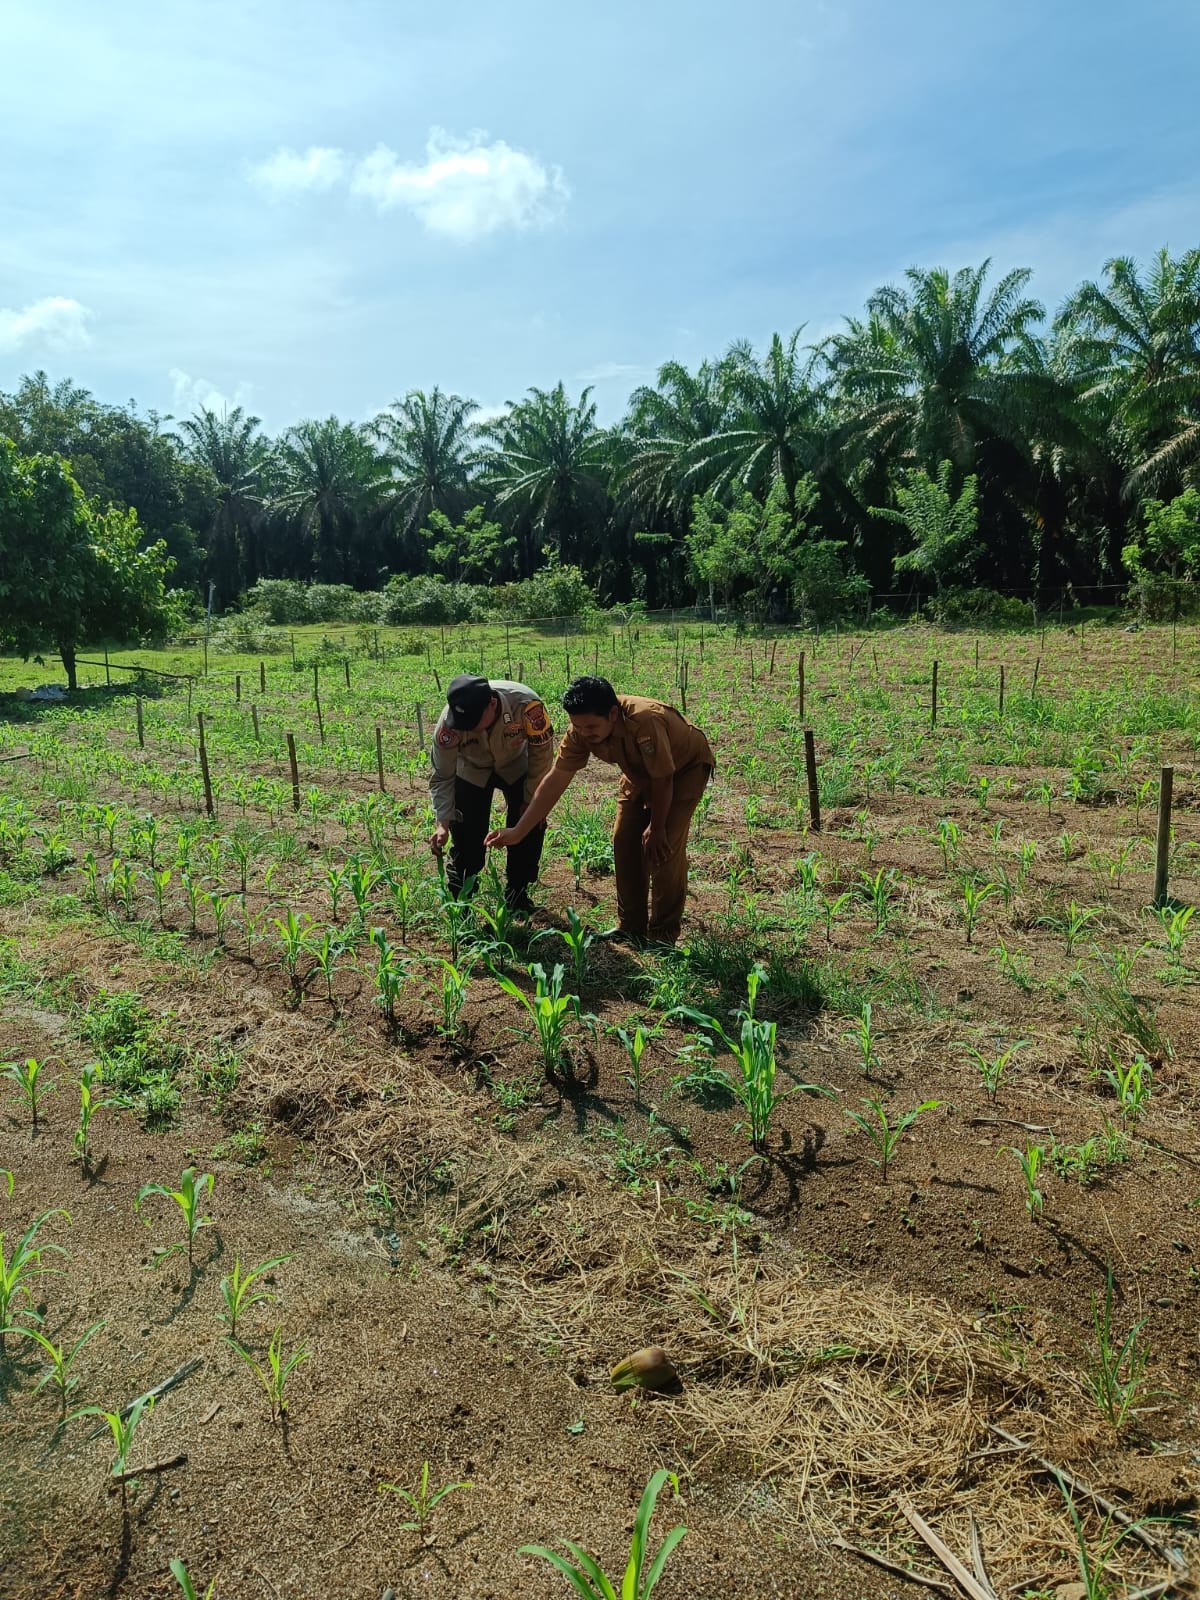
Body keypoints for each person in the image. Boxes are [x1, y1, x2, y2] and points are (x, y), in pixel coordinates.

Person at [485, 676, 714, 947]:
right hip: (639, 772)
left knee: (662, 850)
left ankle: (663, 937)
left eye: (592, 726)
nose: (585, 733)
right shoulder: (580, 731)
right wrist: (518, 830)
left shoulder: (645, 721)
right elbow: (556, 778)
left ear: (613, 714)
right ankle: (631, 926)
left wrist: (658, 826)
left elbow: (664, 778)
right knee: (624, 840)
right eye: (578, 726)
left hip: (682, 770)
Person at [429, 673, 553, 911]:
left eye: (474, 722)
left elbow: (542, 756)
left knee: (528, 824)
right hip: (471, 769)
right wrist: (442, 822)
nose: (467, 728)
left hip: (517, 765)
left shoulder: (527, 706)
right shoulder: (450, 723)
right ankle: (461, 900)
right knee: (466, 833)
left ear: (492, 705)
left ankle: (518, 893)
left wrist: (532, 801)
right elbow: (442, 775)